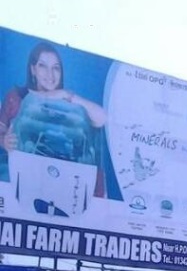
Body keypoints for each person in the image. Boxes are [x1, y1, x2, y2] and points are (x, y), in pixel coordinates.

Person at [0, 41, 108, 197]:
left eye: (55, 68)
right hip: (21, 181)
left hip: (61, 185)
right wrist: (4, 141)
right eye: (43, 66)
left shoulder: (67, 104)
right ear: (33, 70)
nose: (50, 74)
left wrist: (66, 95)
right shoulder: (16, 97)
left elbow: (102, 118)